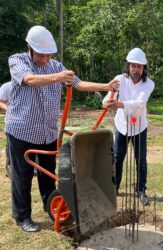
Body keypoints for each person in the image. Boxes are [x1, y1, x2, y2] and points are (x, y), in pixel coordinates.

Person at [6, 25, 118, 233]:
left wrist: (106, 86)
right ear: (30, 48)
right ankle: (22, 217)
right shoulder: (18, 60)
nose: (46, 59)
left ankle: (52, 207)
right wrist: (58, 77)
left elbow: (79, 83)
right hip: (21, 130)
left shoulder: (55, 64)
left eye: (49, 55)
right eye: (42, 55)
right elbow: (29, 80)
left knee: (48, 174)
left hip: (47, 131)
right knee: (22, 175)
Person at [103, 48, 154, 206]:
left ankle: (141, 190)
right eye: (133, 66)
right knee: (118, 158)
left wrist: (118, 104)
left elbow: (139, 104)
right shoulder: (119, 79)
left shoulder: (149, 84)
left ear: (143, 68)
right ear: (128, 66)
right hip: (122, 125)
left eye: (139, 66)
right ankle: (114, 188)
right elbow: (108, 96)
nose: (136, 69)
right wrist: (106, 101)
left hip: (139, 126)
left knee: (141, 160)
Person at [0, 82, 11, 178]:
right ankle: (9, 167)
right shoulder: (6, 86)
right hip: (11, 124)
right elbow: (1, 101)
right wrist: (9, 109)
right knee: (10, 147)